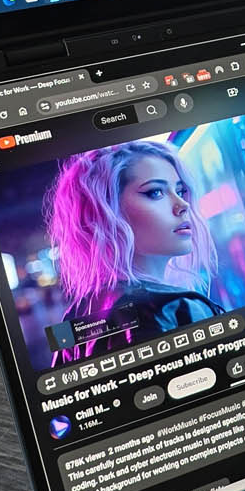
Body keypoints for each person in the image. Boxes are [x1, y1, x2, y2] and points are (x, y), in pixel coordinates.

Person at [43, 140, 223, 362]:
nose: (182, 204)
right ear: (108, 212)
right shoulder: (176, 308)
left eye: (179, 190)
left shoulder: (74, 315)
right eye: (155, 192)